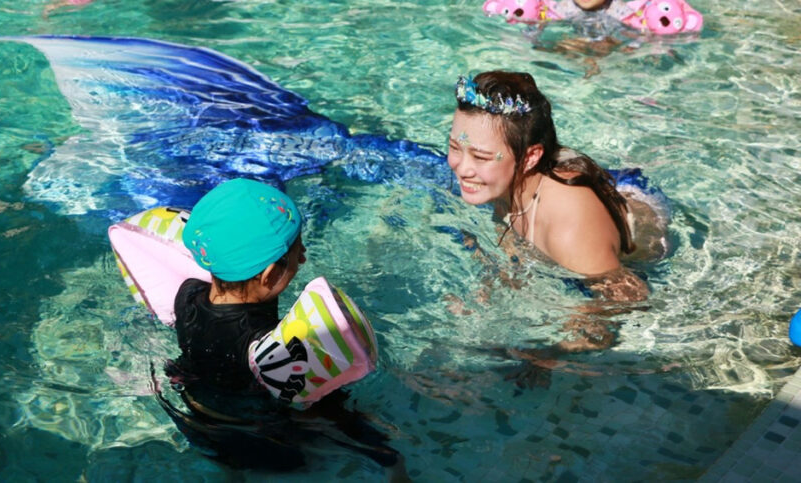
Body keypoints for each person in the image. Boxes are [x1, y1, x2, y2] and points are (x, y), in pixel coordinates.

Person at [160, 178, 405, 475]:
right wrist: (375, 441)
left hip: (196, 418)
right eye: (297, 253)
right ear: (269, 274)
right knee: (368, 444)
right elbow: (313, 396)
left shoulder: (187, 293)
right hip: (257, 439)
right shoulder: (262, 345)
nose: (302, 258)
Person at [447, 71, 654, 303]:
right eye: (455, 147)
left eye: (480, 157)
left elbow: (630, 296)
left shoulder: (568, 228)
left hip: (639, 220)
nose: (462, 169)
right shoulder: (498, 175)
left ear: (529, 158)